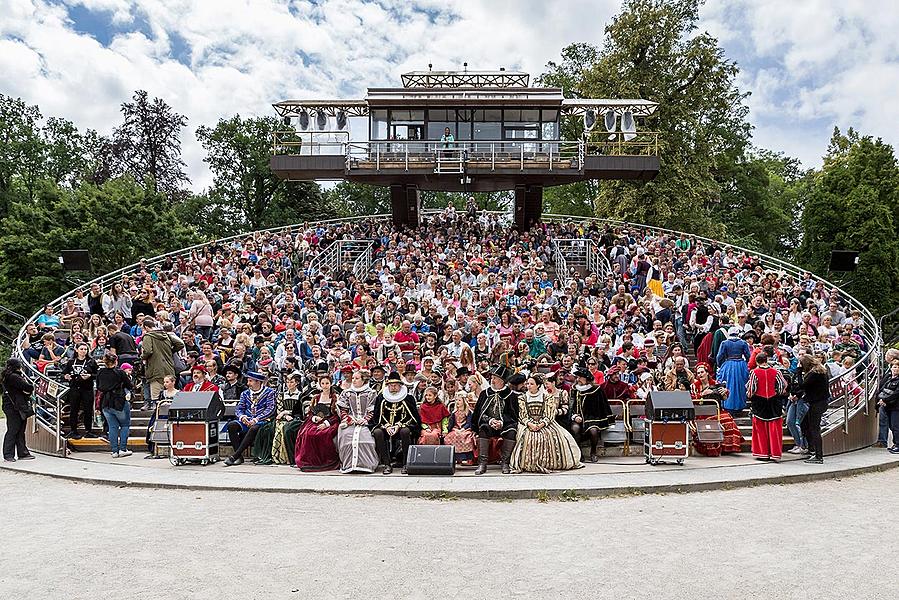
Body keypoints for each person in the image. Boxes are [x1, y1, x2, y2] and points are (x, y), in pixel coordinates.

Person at [509, 373, 582, 473]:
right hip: (528, 423)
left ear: (538, 385)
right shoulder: (522, 398)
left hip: (545, 423)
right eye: (527, 384)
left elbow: (549, 415)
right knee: (527, 437)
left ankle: (548, 463)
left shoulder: (547, 397)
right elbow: (522, 415)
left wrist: (540, 424)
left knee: (549, 436)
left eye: (531, 384)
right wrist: (530, 424)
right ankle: (528, 463)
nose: (528, 386)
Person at [471, 365, 519, 475]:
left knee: (511, 432)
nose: (492, 380)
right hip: (488, 423)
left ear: (502, 381)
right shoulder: (485, 393)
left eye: (495, 378)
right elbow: (479, 413)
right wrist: (490, 420)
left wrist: (502, 422)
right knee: (483, 429)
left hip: (505, 424)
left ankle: (505, 462)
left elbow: (514, 415)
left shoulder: (511, 395)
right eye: (492, 378)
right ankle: (482, 463)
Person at [371, 371, 421, 474]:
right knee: (377, 432)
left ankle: (406, 463)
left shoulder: (408, 398)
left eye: (395, 385)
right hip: (386, 427)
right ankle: (387, 464)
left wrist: (399, 425)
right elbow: (378, 415)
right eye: (391, 385)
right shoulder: (381, 398)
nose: (393, 387)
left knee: (405, 432)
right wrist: (387, 426)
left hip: (402, 426)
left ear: (400, 386)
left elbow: (412, 416)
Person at [223, 371, 276, 466]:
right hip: (247, 419)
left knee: (254, 428)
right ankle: (239, 457)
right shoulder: (245, 393)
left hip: (262, 420)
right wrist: (242, 417)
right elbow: (239, 408)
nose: (248, 383)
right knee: (232, 425)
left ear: (258, 382)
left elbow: (270, 409)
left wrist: (256, 419)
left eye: (251, 381)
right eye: (248, 380)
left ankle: (235, 456)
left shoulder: (269, 392)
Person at [690, 362, 743, 456]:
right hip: (700, 412)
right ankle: (712, 448)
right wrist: (702, 394)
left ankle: (728, 447)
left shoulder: (716, 383)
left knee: (727, 419)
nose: (700, 375)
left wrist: (725, 392)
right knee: (709, 422)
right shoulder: (694, 386)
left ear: (707, 373)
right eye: (698, 373)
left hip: (716, 410)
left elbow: (724, 398)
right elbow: (692, 399)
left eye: (702, 372)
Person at [746, 352, 788, 461]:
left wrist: (750, 396)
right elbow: (783, 386)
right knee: (774, 429)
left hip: (759, 403)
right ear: (766, 360)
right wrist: (777, 393)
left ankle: (763, 453)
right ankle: (775, 454)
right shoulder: (776, 372)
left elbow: (751, 389)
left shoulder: (754, 372)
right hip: (774, 402)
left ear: (756, 361)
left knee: (760, 429)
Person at [294, 374, 340, 471]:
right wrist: (315, 418)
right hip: (316, 420)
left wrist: (326, 423)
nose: (325, 385)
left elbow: (337, 416)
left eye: (327, 383)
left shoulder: (335, 397)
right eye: (322, 383)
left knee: (323, 434)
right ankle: (308, 461)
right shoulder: (316, 397)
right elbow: (311, 412)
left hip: (331, 421)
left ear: (331, 384)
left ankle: (323, 461)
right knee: (307, 433)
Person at [336, 369, 379, 474]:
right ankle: (349, 465)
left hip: (366, 423)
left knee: (365, 439)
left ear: (363, 380)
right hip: (350, 422)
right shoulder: (346, 393)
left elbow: (373, 411)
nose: (354, 380)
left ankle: (366, 465)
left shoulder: (371, 393)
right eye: (353, 378)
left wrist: (365, 420)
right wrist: (349, 419)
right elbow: (343, 410)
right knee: (346, 438)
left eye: (357, 378)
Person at [569, 364, 615, 462]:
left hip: (593, 417)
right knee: (575, 428)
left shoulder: (596, 390)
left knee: (593, 430)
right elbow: (571, 405)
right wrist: (574, 416)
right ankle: (579, 453)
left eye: (580, 377)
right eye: (577, 377)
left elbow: (603, 405)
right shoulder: (574, 389)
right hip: (578, 417)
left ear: (586, 378)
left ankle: (593, 452)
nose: (578, 379)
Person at [96, 352, 134, 458]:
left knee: (112, 426)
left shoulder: (100, 372)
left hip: (105, 402)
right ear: (116, 361)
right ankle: (122, 448)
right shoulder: (120, 372)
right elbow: (130, 385)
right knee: (125, 425)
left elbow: (99, 386)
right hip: (119, 400)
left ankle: (114, 451)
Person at [141, 317, 185, 404]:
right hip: (169, 368)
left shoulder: (148, 336)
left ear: (146, 327)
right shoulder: (166, 334)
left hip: (155, 370)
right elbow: (180, 343)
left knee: (156, 400)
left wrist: (142, 356)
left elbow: (148, 351)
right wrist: (170, 351)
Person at [61, 342, 98, 439]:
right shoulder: (71, 361)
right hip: (74, 388)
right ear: (76, 350)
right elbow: (63, 373)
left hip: (87, 388)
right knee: (74, 410)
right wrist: (66, 376)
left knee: (88, 410)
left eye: (85, 349)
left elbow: (97, 374)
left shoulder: (91, 361)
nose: (83, 351)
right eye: (81, 349)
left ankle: (88, 430)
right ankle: (73, 430)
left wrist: (90, 376)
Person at [269, 372, 307, 465]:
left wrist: (288, 413)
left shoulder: (301, 395)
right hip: (283, 418)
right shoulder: (282, 395)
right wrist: (285, 414)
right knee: (279, 428)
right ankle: (280, 457)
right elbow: (279, 409)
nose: (289, 384)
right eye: (287, 382)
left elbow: (300, 410)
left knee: (286, 429)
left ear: (297, 383)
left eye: (291, 382)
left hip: (295, 418)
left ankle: (290, 457)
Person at [2, 358, 35, 462]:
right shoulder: (14, 377)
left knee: (18, 430)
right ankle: (9, 454)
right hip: (15, 406)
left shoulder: (6, 376)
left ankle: (21, 453)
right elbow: (29, 387)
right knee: (14, 430)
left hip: (13, 405)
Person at [800, 354, 831, 464]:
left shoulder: (814, 373)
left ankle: (818, 455)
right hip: (820, 402)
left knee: (814, 429)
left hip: (817, 403)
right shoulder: (821, 371)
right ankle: (812, 449)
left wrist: (799, 372)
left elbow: (802, 385)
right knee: (805, 424)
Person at [716, 327, 752, 414]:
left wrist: (721, 365)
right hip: (740, 365)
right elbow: (748, 355)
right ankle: (740, 405)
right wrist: (746, 364)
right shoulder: (743, 343)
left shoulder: (724, 343)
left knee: (728, 385)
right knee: (741, 386)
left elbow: (719, 356)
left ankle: (728, 405)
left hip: (728, 364)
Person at [145, 374, 178, 458]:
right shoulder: (163, 393)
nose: (165, 384)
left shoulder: (178, 393)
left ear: (173, 382)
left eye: (167, 382)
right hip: (162, 413)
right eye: (164, 382)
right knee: (153, 425)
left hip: (172, 414)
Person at [443, 392, 476, 464]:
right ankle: (455, 458)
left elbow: (469, 423)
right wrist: (447, 430)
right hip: (455, 428)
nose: (457, 402)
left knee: (465, 436)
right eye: (456, 400)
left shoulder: (468, 412)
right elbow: (451, 424)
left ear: (464, 401)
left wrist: (463, 429)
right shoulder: (454, 412)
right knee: (451, 436)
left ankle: (467, 458)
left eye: (459, 400)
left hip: (466, 428)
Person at [875, 360, 899, 454]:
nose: (895, 369)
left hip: (896, 406)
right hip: (887, 406)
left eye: (897, 367)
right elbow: (882, 389)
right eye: (894, 367)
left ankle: (898, 444)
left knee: (895, 426)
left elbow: (896, 393)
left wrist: (885, 400)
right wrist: (880, 400)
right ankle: (895, 444)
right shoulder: (889, 378)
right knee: (892, 426)